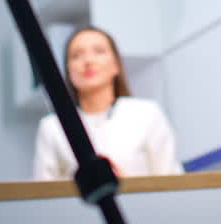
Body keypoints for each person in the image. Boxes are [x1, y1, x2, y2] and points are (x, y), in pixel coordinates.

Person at [33, 27, 184, 180]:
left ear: (116, 65)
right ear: (68, 70)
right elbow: (43, 193)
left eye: (99, 51)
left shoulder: (147, 114)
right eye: (76, 55)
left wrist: (129, 187)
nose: (88, 61)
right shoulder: (52, 127)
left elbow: (171, 181)